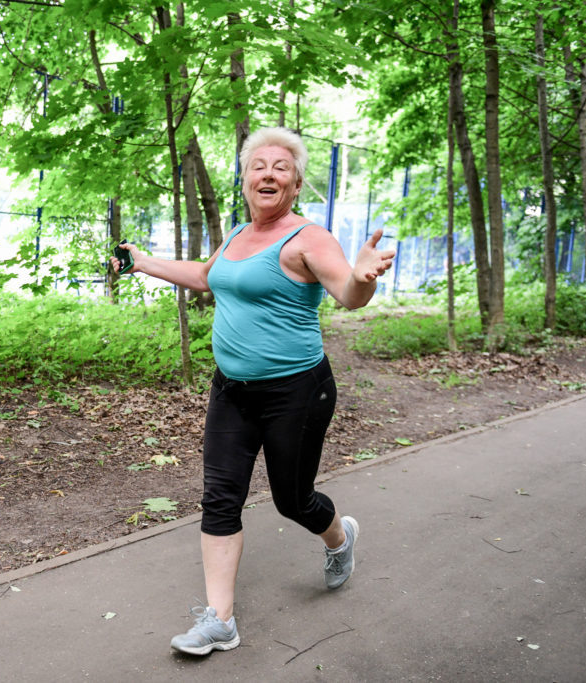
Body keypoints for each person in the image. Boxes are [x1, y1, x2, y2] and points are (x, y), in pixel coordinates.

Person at [111, 127, 395, 656]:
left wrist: (363, 277)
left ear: (296, 184)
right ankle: (219, 621)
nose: (268, 174)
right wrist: (143, 262)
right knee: (220, 498)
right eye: (257, 166)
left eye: (280, 168)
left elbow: (348, 292)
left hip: (297, 393)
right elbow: (206, 276)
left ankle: (340, 538)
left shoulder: (310, 238)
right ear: (244, 180)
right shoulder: (239, 234)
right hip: (232, 392)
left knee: (292, 500)